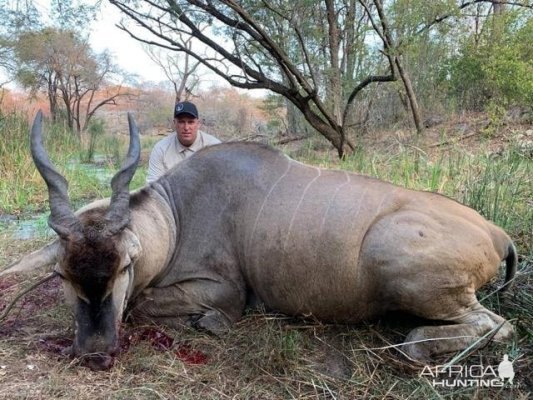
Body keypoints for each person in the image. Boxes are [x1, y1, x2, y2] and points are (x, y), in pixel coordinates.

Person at [146, 101, 221, 183]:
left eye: (191, 122)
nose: (186, 127)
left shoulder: (215, 147)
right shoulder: (161, 149)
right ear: (174, 123)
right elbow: (152, 187)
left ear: (198, 124)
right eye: (181, 122)